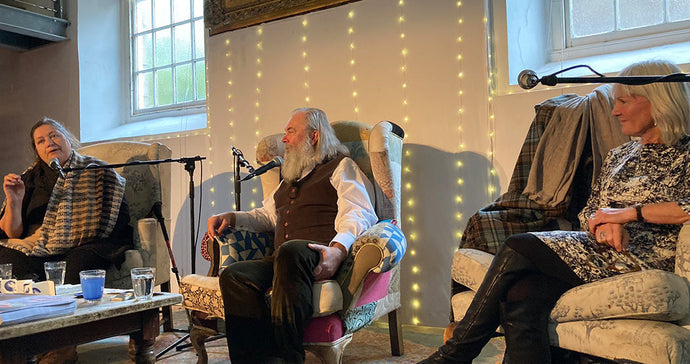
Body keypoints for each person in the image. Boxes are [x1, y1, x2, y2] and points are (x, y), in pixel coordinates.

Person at [420, 59, 690, 364]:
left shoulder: (686, 153)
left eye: (624, 102)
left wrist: (627, 214)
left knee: (519, 246)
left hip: (643, 258)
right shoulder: (619, 155)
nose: (615, 111)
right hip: (600, 251)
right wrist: (602, 225)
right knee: (520, 293)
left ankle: (455, 353)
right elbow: (590, 211)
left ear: (659, 102)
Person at [208, 107, 377, 363]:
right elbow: (267, 216)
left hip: (315, 254)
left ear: (314, 136)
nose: (284, 139)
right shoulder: (288, 178)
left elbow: (358, 212)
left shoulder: (341, 167)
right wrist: (233, 217)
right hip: (283, 258)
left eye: (290, 131)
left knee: (290, 250)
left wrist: (337, 250)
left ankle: (289, 357)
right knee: (235, 276)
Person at [0, 117, 134, 364]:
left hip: (89, 242)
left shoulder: (97, 170)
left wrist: (72, 231)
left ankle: (63, 346)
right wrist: (14, 200)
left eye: (54, 135)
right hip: (36, 245)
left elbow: (115, 217)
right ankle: (25, 340)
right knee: (5, 256)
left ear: (67, 139)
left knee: (79, 262)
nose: (49, 142)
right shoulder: (27, 180)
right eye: (41, 140)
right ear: (37, 150)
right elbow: (12, 234)